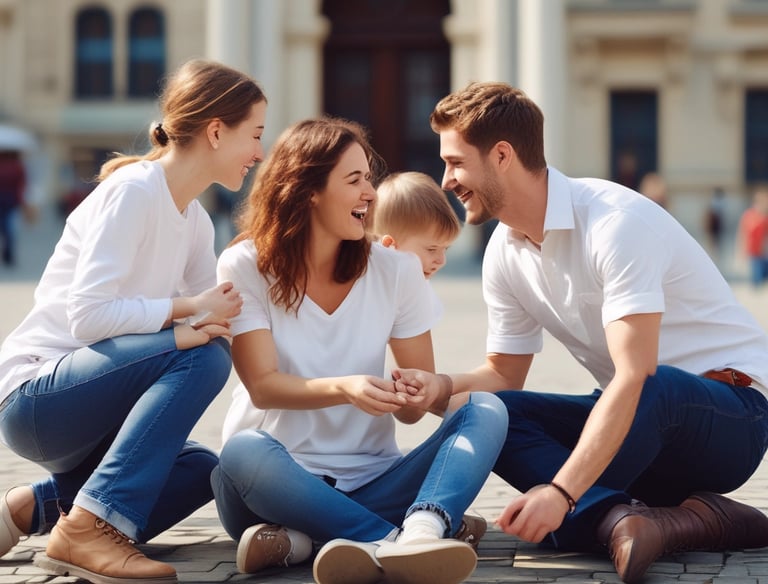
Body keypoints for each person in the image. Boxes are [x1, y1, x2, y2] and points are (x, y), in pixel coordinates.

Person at [394, 81, 768, 584]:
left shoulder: (615, 223)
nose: (446, 180)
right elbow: (505, 374)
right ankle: (637, 521)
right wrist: (442, 388)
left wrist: (562, 491)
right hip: (638, 422)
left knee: (646, 381)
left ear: (502, 155)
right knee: (487, 413)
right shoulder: (504, 252)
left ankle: (589, 512)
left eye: (456, 163)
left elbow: (636, 376)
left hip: (730, 415)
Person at [0, 59, 267, 583]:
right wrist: (186, 315)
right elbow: (88, 316)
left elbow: (221, 313)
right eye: (254, 135)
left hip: (97, 406)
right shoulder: (134, 190)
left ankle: (30, 510)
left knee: (201, 471)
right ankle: (91, 529)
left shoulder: (192, 219)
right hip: (36, 398)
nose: (259, 153)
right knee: (202, 357)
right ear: (216, 130)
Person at [210, 117, 508, 584]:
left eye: (369, 178)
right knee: (241, 451)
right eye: (355, 180)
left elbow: (414, 409)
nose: (371, 193)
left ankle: (411, 529)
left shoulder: (395, 272)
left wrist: (412, 395)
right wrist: (346, 388)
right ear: (307, 189)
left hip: (373, 482)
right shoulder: (246, 264)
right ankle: (393, 542)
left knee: (487, 410)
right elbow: (263, 388)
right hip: (271, 486)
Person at [371, 170, 462, 319]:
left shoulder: (414, 285)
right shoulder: (374, 293)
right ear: (389, 245)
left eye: (445, 249)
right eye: (431, 249)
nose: (441, 261)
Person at [737, 185, 768, 288]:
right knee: (757, 278)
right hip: (754, 250)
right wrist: (741, 248)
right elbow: (744, 233)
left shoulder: (764, 216)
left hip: (763, 251)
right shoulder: (749, 215)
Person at [0, 150, 26, 266]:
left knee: (9, 229)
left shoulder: (17, 167)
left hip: (10, 202)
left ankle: (8, 255)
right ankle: (8, 255)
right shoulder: (17, 167)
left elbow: (21, 184)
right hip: (11, 202)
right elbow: (21, 185)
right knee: (10, 230)